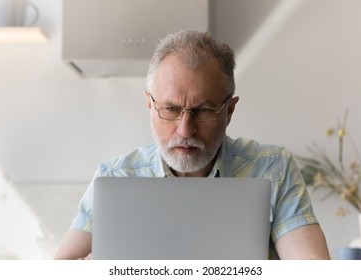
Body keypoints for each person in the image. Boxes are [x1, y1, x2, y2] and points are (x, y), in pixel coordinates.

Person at [54, 30, 330, 260]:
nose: (185, 130)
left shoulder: (272, 168)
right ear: (149, 104)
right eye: (171, 109)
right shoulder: (115, 176)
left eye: (204, 110)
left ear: (229, 111)